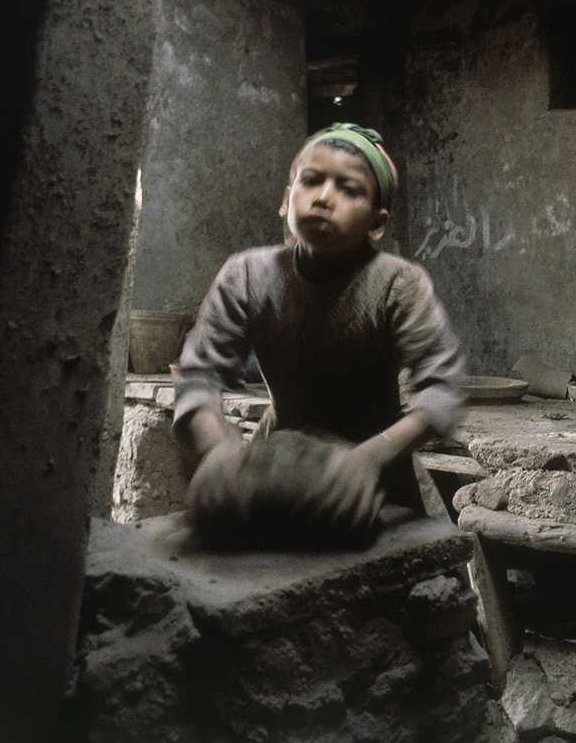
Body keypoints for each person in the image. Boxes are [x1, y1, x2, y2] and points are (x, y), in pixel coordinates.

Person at [174, 123, 466, 542]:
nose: (325, 197)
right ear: (286, 200)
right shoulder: (248, 274)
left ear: (377, 223)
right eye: (311, 181)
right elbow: (199, 376)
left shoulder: (396, 283)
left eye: (349, 190)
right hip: (276, 461)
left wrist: (366, 460)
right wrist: (219, 451)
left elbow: (443, 390)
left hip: (373, 469)